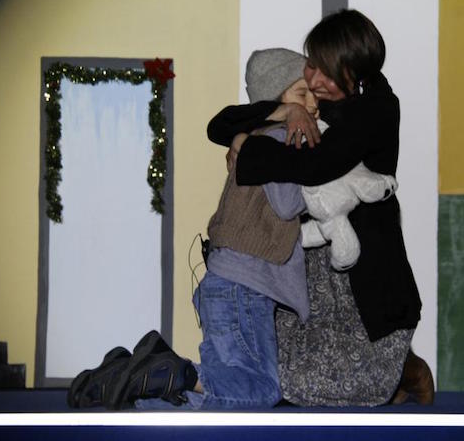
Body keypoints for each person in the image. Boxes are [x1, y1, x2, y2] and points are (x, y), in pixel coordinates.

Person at [210, 9, 434, 406]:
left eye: (325, 73)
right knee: (272, 373)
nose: (313, 81)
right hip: (308, 262)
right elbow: (219, 125)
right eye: (311, 65)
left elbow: (316, 165)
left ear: (354, 74)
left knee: (313, 385)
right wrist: (285, 111)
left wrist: (249, 144)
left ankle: (406, 369)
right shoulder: (322, 97)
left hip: (363, 269)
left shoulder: (377, 108)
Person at [68, 48, 311, 410]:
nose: (313, 104)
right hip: (245, 288)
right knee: (262, 390)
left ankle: (122, 382)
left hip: (222, 283)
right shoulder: (280, 141)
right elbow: (289, 202)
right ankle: (170, 370)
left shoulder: (254, 140)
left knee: (218, 391)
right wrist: (317, 173)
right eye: (302, 94)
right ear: (276, 99)